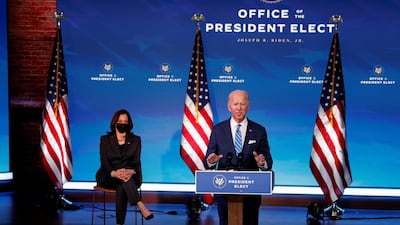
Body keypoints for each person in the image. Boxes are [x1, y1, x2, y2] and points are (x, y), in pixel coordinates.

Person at [204, 89, 273, 225]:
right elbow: (208, 161)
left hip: (250, 194)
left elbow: (268, 162)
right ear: (229, 107)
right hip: (224, 191)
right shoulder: (218, 130)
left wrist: (262, 162)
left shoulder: (259, 130)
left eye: (242, 104)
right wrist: (211, 161)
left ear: (248, 106)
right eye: (235, 104)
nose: (239, 108)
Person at [96, 109, 154, 225]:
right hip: (108, 176)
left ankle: (119, 223)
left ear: (129, 124)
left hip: (129, 175)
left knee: (122, 184)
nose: (123, 124)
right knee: (122, 181)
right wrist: (114, 173)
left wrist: (130, 172)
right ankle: (140, 204)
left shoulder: (135, 140)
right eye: (120, 121)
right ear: (114, 123)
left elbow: (136, 162)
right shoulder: (105, 140)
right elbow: (104, 162)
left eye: (125, 121)